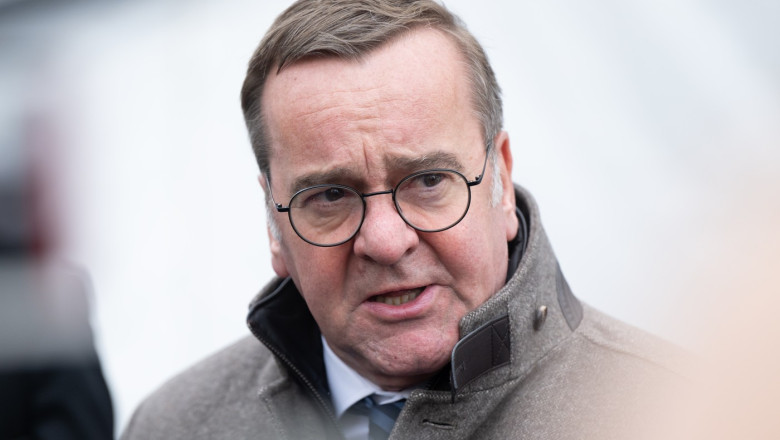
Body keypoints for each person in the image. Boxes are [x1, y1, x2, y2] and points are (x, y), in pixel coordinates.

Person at [121, 1, 684, 439]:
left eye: (429, 181)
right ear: (273, 223)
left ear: (501, 180)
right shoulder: (175, 428)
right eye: (331, 195)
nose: (387, 241)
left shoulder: (679, 415)